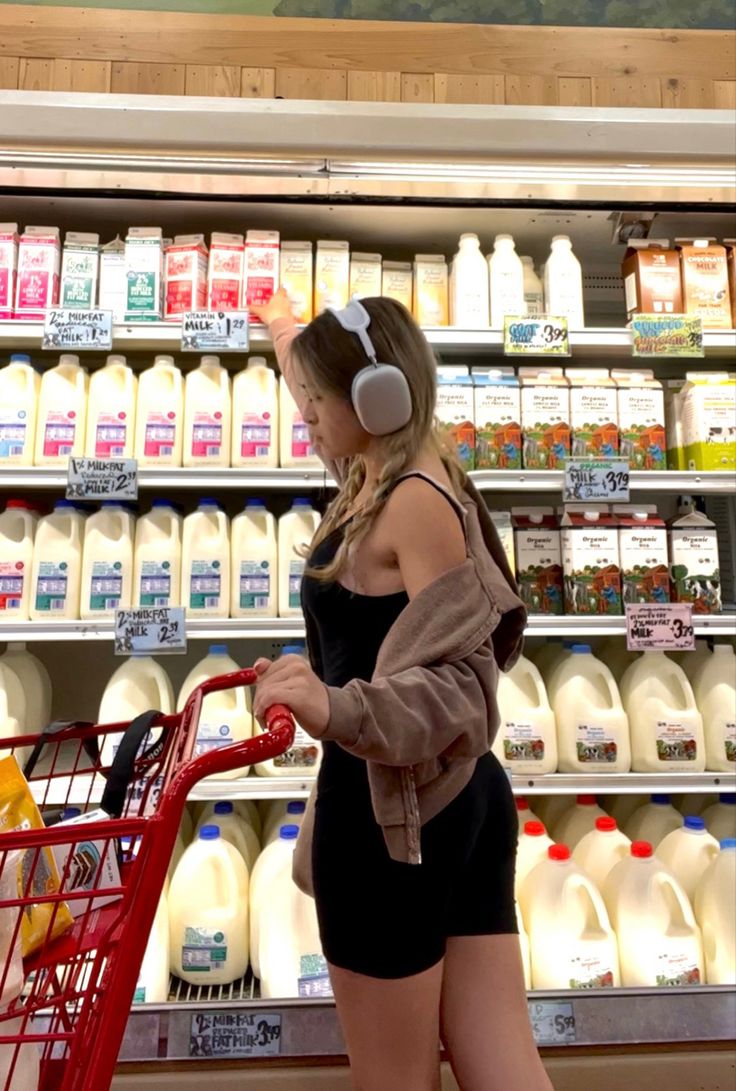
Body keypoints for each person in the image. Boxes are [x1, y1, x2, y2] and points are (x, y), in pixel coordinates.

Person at [251, 288, 554, 1091]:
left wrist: (331, 703)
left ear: (374, 398)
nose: (306, 413)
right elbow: (317, 381)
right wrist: (285, 330)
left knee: (395, 1080)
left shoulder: (413, 504)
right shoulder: (385, 463)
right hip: (458, 805)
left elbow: (462, 688)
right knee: (502, 1063)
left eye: (318, 399)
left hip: (397, 818)